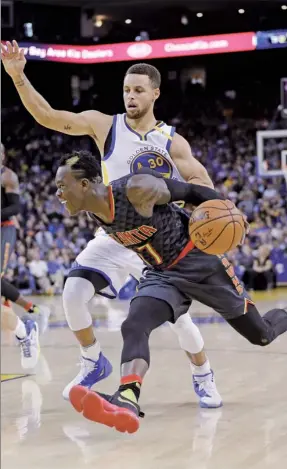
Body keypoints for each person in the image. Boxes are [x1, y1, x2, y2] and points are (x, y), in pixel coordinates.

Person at [1, 40, 222, 408]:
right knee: (72, 293)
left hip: (156, 246)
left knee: (180, 323)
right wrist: (18, 76)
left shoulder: (171, 141)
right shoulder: (105, 126)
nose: (130, 96)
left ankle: (203, 373)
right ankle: (93, 360)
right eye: (125, 90)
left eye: (138, 90)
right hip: (115, 237)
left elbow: (202, 183)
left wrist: (209, 214)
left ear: (155, 93)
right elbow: (49, 116)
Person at [56, 151, 287, 434]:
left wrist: (229, 209)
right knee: (134, 323)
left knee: (260, 334)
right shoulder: (95, 211)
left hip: (199, 262)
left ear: (84, 185)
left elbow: (189, 190)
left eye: (62, 185)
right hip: (162, 273)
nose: (58, 193)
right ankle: (127, 398)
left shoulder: (136, 189)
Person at [1, 144, 41, 368]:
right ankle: (27, 317)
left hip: (4, 228)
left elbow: (15, 208)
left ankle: (24, 331)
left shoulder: (7, 176)